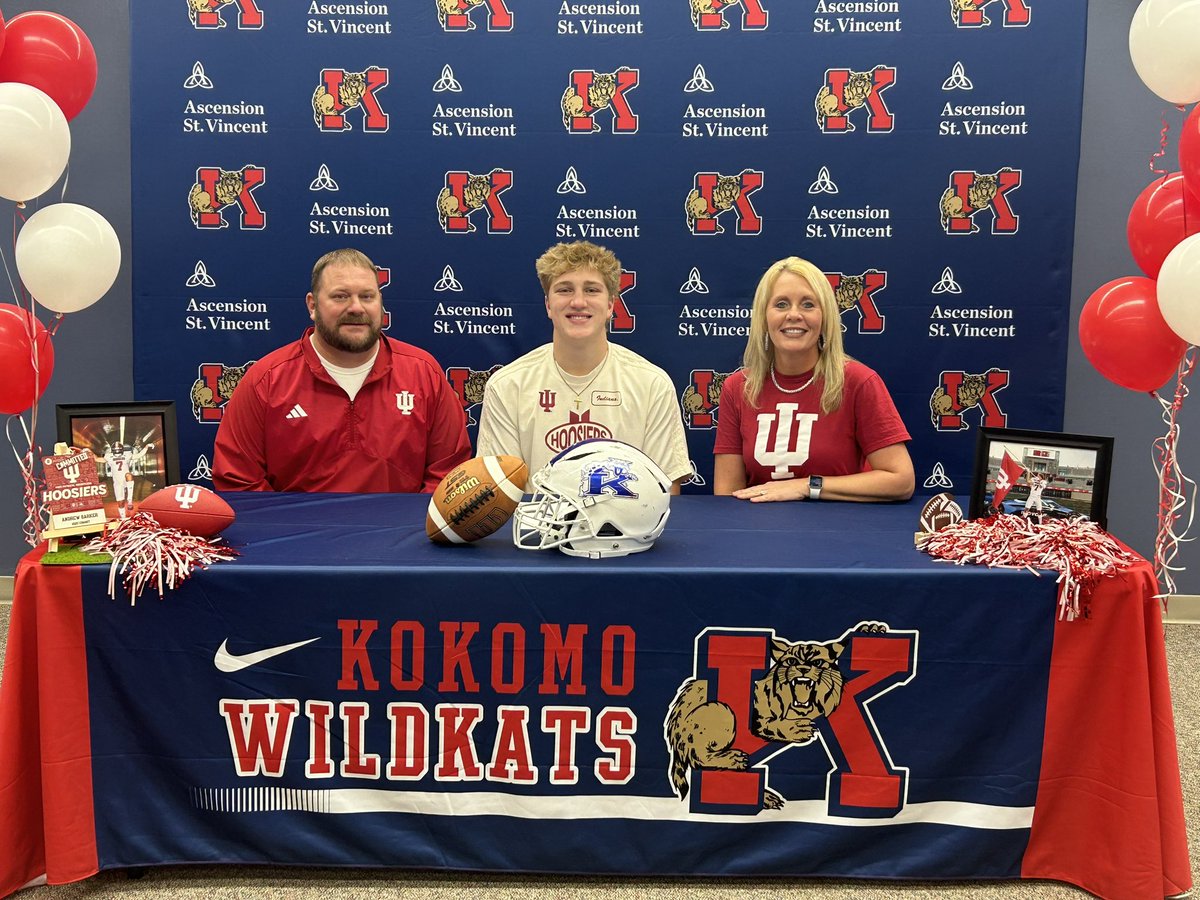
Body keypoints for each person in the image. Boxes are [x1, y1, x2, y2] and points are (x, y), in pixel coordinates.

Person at [214, 248, 471, 492]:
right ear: (312, 306)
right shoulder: (267, 379)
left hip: (404, 535)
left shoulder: (424, 373)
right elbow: (239, 480)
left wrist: (416, 528)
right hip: (298, 536)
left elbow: (449, 473)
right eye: (341, 296)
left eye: (367, 296)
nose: (356, 307)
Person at [476, 241, 691, 490]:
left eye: (591, 290)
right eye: (564, 290)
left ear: (611, 305)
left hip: (627, 528)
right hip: (536, 527)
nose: (578, 302)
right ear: (548, 305)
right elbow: (500, 491)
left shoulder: (652, 384)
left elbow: (665, 489)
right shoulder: (507, 386)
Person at [713, 256, 914, 502]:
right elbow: (726, 495)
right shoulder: (737, 388)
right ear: (764, 318)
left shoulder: (859, 382)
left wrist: (807, 486)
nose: (794, 315)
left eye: (808, 304)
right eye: (781, 304)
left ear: (825, 317)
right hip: (760, 533)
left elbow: (901, 480)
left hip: (839, 532)